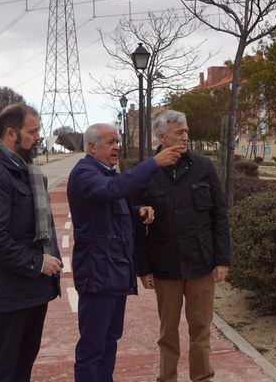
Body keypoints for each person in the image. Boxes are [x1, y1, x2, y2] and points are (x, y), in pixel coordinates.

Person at [67, 123, 185, 381]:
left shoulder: (107, 174)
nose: (117, 147)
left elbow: (111, 205)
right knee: (92, 347)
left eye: (117, 141)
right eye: (110, 142)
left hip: (114, 272)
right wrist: (153, 163)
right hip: (97, 274)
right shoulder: (85, 174)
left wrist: (137, 211)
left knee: (109, 342)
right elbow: (110, 191)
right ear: (91, 147)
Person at [0, 104, 63, 382]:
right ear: (10, 134)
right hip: (4, 298)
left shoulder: (25, 170)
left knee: (20, 371)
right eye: (33, 131)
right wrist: (37, 262)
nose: (38, 137)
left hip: (29, 291)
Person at [136, 110, 231, 382]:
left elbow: (219, 215)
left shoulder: (203, 167)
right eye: (180, 132)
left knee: (201, 330)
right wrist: (144, 268)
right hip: (165, 267)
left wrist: (222, 259)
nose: (186, 137)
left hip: (200, 263)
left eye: (187, 131)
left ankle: (202, 378)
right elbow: (136, 224)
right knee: (168, 333)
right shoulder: (146, 173)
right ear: (162, 136)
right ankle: (167, 378)